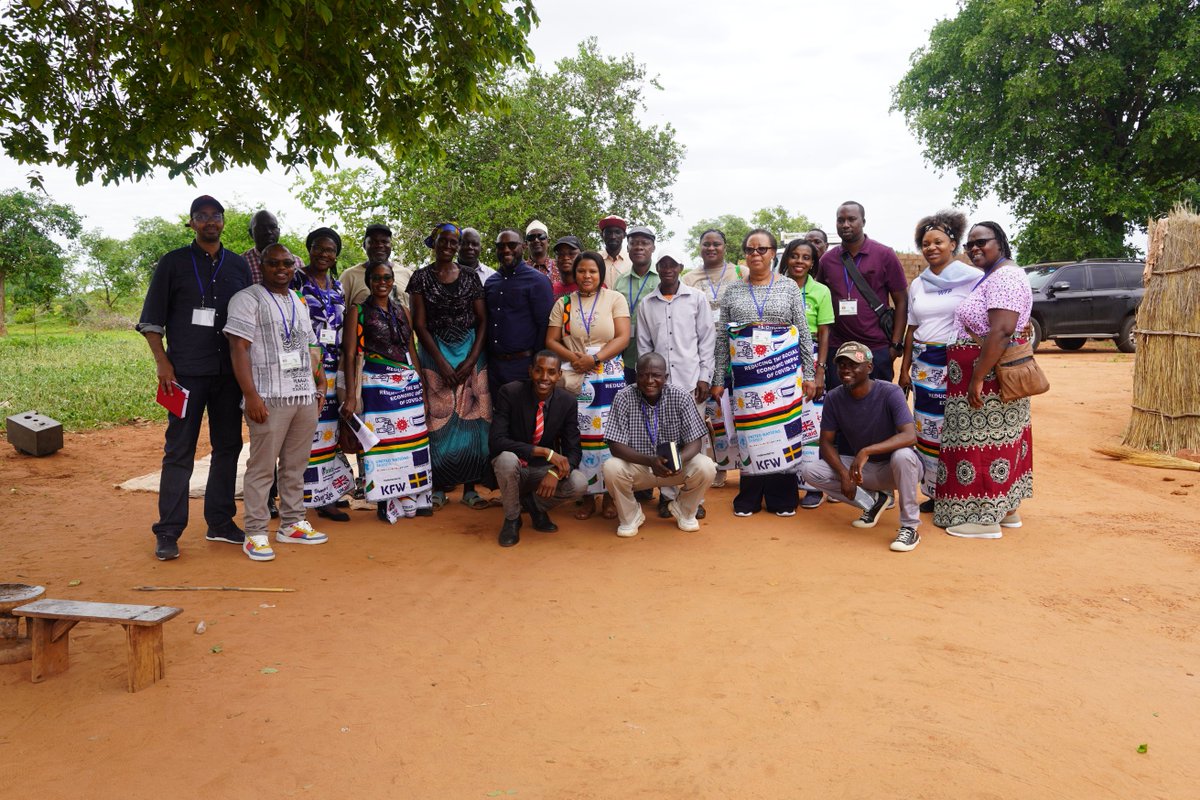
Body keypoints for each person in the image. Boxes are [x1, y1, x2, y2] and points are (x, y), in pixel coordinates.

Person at [136, 195, 251, 561]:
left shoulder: (237, 266)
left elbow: (248, 321)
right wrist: (162, 363)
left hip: (228, 374)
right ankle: (168, 532)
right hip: (183, 372)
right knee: (179, 451)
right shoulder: (173, 263)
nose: (209, 222)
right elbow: (151, 320)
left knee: (228, 447)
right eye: (201, 217)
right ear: (191, 224)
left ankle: (220, 522)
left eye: (215, 215)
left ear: (223, 221)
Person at [225, 243, 330, 561]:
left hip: (302, 395)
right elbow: (238, 348)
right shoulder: (247, 299)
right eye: (274, 263)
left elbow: (311, 344)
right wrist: (250, 395)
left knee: (296, 465)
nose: (281, 268)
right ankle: (255, 532)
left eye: (287, 263)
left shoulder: (298, 301)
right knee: (261, 468)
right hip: (269, 396)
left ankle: (293, 523)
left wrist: (320, 382)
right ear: (261, 264)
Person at [934, 222, 1033, 538]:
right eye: (969, 244)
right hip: (986, 372)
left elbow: (1002, 330)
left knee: (980, 445)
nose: (974, 248)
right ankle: (1006, 511)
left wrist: (976, 377)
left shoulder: (1005, 277)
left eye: (981, 242)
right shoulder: (997, 275)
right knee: (1001, 440)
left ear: (1000, 241)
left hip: (987, 376)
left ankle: (983, 519)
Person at [712, 229, 816, 517]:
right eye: (750, 250)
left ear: (772, 253)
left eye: (761, 249)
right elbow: (722, 338)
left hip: (783, 374)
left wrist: (809, 374)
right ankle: (749, 497)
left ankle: (782, 498)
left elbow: (803, 332)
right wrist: (718, 379)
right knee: (751, 432)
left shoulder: (788, 288)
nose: (755, 255)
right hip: (747, 379)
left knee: (781, 432)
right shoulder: (732, 290)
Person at [802, 342, 922, 552]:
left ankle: (910, 527)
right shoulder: (834, 397)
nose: (846, 369)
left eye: (853, 364)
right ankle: (873, 501)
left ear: (869, 367)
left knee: (903, 456)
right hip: (863, 471)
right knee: (811, 471)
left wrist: (866, 450)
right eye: (842, 365)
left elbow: (910, 436)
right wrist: (843, 473)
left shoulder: (890, 392)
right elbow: (826, 442)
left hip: (896, 469)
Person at [898, 211, 979, 514]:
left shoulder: (971, 280)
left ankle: (959, 492)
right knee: (927, 431)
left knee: (955, 428)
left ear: (953, 244)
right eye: (926, 243)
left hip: (955, 363)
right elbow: (911, 327)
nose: (931, 248)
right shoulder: (918, 284)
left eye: (938, 242)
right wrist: (905, 369)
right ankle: (934, 491)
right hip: (923, 365)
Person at [408, 223, 491, 511]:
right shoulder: (420, 278)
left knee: (473, 420)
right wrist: (441, 363)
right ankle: (439, 487)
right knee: (438, 421)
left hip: (470, 352)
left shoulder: (470, 276)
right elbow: (419, 323)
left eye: (454, 242)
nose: (449, 246)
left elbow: (482, 320)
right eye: (444, 241)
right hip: (434, 354)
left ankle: (470, 489)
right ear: (434, 243)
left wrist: (470, 362)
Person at [341, 262, 433, 520]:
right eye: (377, 278)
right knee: (383, 443)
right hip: (377, 388)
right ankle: (385, 498)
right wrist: (350, 394)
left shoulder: (402, 310)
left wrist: (421, 387)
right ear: (368, 281)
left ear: (393, 280)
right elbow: (349, 355)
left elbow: (411, 349)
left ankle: (412, 491)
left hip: (407, 388)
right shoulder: (357, 311)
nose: (382, 282)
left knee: (411, 441)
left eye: (387, 278)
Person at [545, 251, 630, 520]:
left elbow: (623, 336)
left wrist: (595, 358)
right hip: (576, 377)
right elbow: (551, 340)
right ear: (575, 274)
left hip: (609, 378)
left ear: (600, 274)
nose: (587, 276)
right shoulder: (564, 303)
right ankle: (587, 496)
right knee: (579, 436)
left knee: (609, 436)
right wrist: (576, 359)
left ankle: (610, 496)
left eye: (592, 271)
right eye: (582, 271)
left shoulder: (615, 298)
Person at [602, 353, 716, 537]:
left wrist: (678, 460)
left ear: (666, 377)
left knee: (706, 466)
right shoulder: (623, 397)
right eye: (643, 375)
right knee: (611, 467)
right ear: (636, 375)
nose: (649, 380)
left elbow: (695, 441)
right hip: (639, 466)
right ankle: (631, 516)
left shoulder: (680, 397)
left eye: (656, 375)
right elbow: (615, 445)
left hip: (673, 468)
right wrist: (650, 461)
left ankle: (684, 510)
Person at [636, 251, 714, 519]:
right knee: (664, 439)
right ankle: (667, 495)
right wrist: (649, 382)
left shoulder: (697, 298)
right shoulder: (647, 303)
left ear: (681, 267)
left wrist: (705, 376)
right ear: (657, 268)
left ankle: (694, 496)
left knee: (695, 441)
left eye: (673, 264)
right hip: (658, 386)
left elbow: (706, 341)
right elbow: (644, 346)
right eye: (663, 264)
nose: (668, 268)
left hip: (692, 381)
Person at [489, 350, 588, 547]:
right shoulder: (510, 393)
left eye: (551, 372)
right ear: (530, 371)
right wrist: (544, 452)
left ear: (559, 375)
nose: (544, 378)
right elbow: (496, 441)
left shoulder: (567, 402)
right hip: (514, 469)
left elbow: (574, 450)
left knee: (579, 483)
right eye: (538, 371)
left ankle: (534, 506)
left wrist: (555, 472)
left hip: (541, 472)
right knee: (506, 459)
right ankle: (512, 519)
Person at [814, 202, 908, 388]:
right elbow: (820, 301)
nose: (846, 224)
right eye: (841, 220)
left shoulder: (884, 254)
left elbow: (902, 301)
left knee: (876, 407)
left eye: (851, 219)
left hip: (876, 348)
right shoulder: (828, 260)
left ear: (863, 221)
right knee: (840, 406)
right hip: (838, 348)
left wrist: (895, 345)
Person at [294, 226, 352, 522]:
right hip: (304, 368)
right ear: (309, 249)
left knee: (329, 433)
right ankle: (310, 497)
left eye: (330, 250)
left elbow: (341, 330)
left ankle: (325, 491)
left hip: (333, 367)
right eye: (319, 248)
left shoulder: (338, 286)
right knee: (307, 433)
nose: (324, 254)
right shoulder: (295, 280)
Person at [682, 227, 744, 489]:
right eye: (706, 244)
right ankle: (717, 465)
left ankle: (744, 465)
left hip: (738, 353)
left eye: (716, 244)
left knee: (739, 412)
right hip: (704, 353)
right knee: (712, 416)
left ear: (725, 246)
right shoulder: (689, 278)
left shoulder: (741, 273)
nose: (711, 248)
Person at [779, 238, 834, 510]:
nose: (799, 262)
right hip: (780, 360)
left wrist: (820, 370)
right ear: (787, 258)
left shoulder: (821, 291)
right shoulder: (775, 287)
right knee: (784, 421)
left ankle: (812, 486)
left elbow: (824, 333)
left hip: (811, 357)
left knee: (812, 422)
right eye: (795, 256)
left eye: (806, 257)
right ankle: (784, 480)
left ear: (813, 263)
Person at [484, 229, 555, 393]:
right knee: (498, 417)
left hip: (524, 367)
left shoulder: (538, 281)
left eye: (512, 245)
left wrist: (536, 366)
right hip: (494, 368)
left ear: (523, 247)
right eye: (500, 246)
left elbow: (544, 325)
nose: (506, 250)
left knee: (523, 417)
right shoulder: (491, 282)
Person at [612, 225, 659, 384]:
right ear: (627, 248)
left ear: (653, 247)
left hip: (657, 358)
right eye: (634, 243)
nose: (639, 247)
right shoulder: (620, 281)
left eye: (644, 243)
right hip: (626, 357)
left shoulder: (663, 279)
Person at [339, 223, 413, 311]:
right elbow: (340, 312)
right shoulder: (349, 276)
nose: (379, 245)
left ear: (391, 245)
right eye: (373, 242)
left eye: (384, 241)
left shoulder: (408, 275)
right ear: (364, 245)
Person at [242, 210, 303, 283]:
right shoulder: (241, 262)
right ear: (251, 233)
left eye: (273, 227)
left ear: (279, 231)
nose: (268, 232)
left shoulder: (297, 261)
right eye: (261, 228)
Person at [525, 220, 560, 289]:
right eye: (531, 237)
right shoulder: (520, 269)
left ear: (548, 241)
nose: (536, 240)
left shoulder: (559, 267)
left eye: (541, 236)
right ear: (526, 244)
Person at [598, 214, 630, 284]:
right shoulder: (595, 259)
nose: (613, 237)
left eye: (617, 232)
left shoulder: (632, 260)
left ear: (624, 235)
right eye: (609, 232)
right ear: (602, 235)